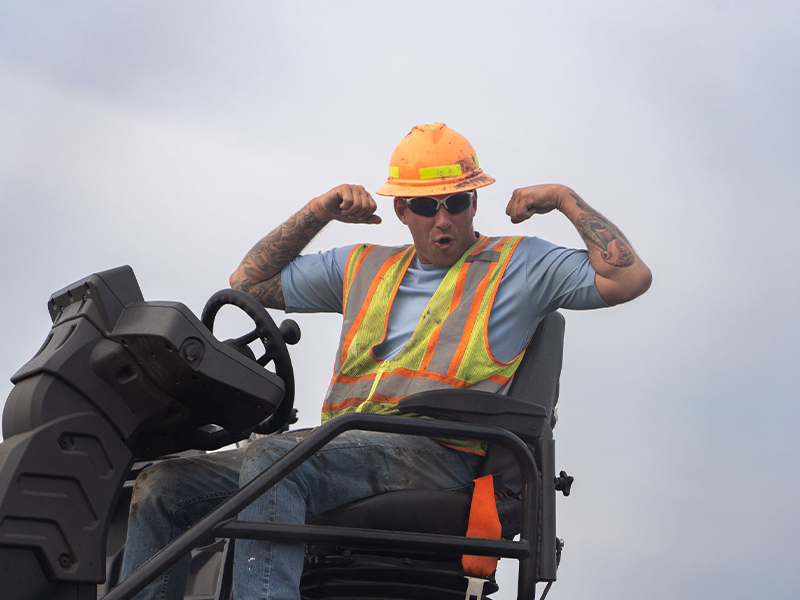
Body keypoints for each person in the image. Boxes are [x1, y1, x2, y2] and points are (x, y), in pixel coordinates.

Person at [120, 123, 651, 600]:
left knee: (273, 463)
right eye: (425, 207)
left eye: (458, 201)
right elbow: (248, 283)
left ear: (473, 201)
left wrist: (563, 198)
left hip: (439, 453)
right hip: (344, 444)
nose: (443, 219)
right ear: (402, 211)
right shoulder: (363, 265)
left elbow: (628, 278)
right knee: (164, 486)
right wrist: (319, 210)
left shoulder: (521, 264)